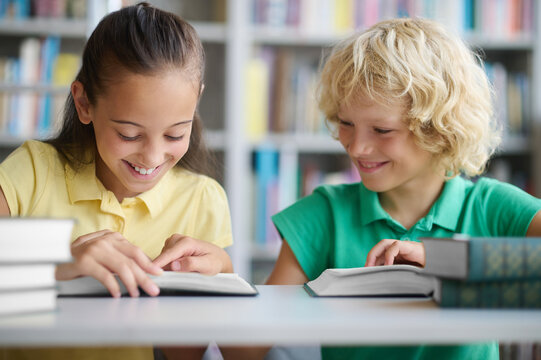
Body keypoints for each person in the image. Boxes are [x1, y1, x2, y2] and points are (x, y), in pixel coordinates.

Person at [240, 17, 541, 360]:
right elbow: (246, 350)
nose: (356, 148)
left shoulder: (491, 207)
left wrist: (445, 260)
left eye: (382, 130)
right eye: (346, 124)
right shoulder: (324, 214)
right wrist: (218, 277)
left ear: (439, 129)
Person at [0, 3, 232, 359]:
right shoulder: (31, 172)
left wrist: (216, 282)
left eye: (174, 135)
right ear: (84, 103)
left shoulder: (201, 199)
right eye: (128, 134)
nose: (153, 158)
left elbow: (184, 353)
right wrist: (57, 265)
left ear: (196, 101)